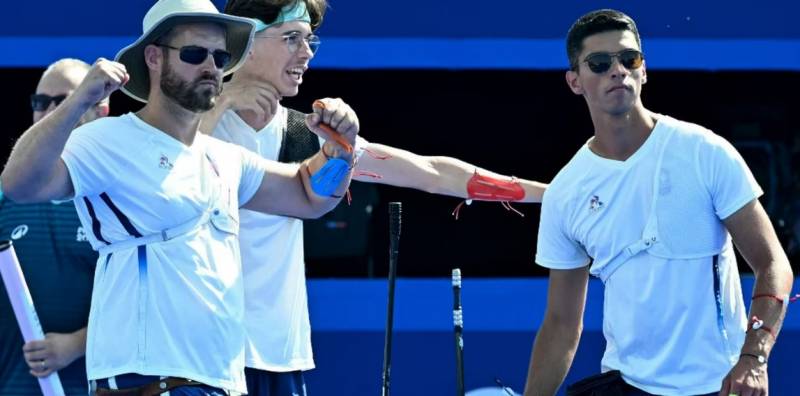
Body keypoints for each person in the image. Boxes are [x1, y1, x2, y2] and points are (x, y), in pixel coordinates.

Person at [0, 0, 357, 394]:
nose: (211, 67)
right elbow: (20, 183)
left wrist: (339, 150)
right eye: (194, 53)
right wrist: (78, 101)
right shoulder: (108, 140)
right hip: (147, 382)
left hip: (220, 383)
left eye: (220, 56)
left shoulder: (225, 158)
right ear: (153, 57)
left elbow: (308, 195)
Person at [196, 0, 548, 394]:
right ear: (245, 39)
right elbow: (170, 173)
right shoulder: (187, 129)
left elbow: (432, 173)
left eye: (310, 40)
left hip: (278, 355)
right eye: (292, 38)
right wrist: (223, 99)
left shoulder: (308, 136)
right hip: (198, 354)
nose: (307, 52)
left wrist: (551, 196)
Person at [523, 9, 794, 396]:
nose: (616, 70)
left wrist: (754, 358)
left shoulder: (705, 152)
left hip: (717, 385)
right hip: (625, 384)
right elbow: (562, 323)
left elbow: (773, 264)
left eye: (628, 59)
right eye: (599, 64)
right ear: (574, 82)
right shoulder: (566, 191)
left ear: (644, 70)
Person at [0, 58, 107, 396]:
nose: (47, 112)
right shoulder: (6, 198)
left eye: (62, 101)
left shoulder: (120, 201)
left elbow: (145, 307)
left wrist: (76, 344)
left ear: (100, 111)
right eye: (39, 102)